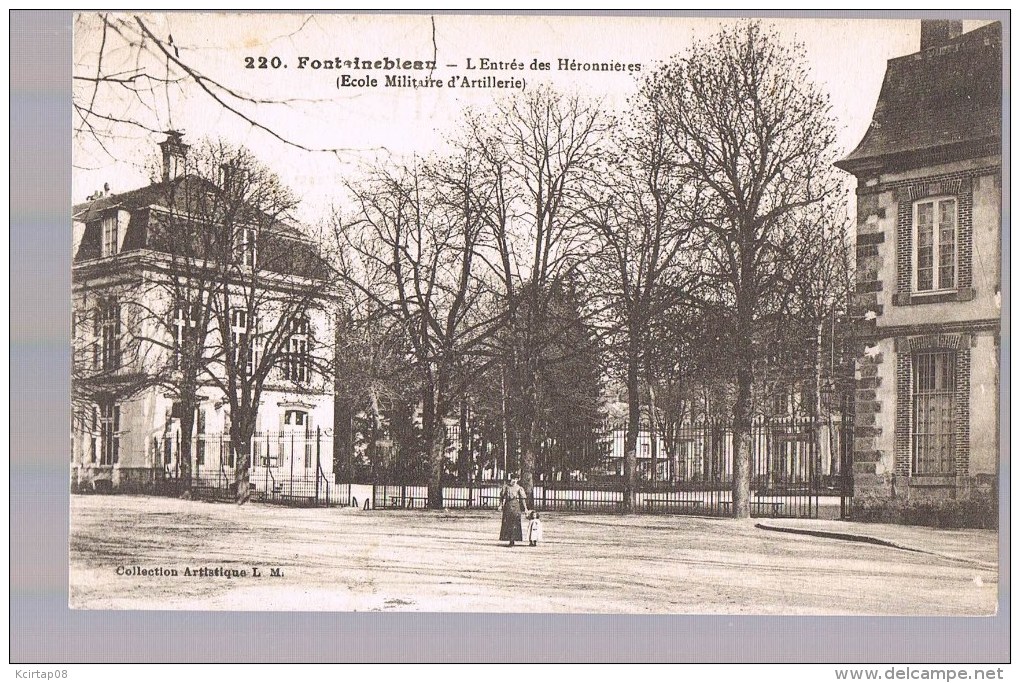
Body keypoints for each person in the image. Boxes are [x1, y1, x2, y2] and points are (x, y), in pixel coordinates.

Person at [498, 474, 528, 547]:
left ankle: (513, 539)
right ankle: (509, 539)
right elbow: (502, 497)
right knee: (507, 522)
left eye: (516, 479)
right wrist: (500, 505)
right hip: (508, 505)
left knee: (515, 522)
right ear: (510, 479)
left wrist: (526, 509)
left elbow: (523, 499)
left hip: (516, 506)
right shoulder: (506, 487)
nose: (514, 481)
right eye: (513, 479)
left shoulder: (519, 488)